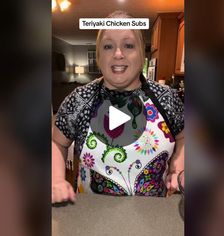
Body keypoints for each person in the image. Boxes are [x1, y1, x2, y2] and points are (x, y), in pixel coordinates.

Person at [52, 11, 184, 203]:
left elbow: (184, 136)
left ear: (141, 54)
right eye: (108, 46)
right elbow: (57, 143)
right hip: (90, 218)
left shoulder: (167, 98)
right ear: (98, 55)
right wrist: (56, 179)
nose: (118, 54)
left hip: (154, 217)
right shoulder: (79, 99)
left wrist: (178, 168)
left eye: (128, 45)